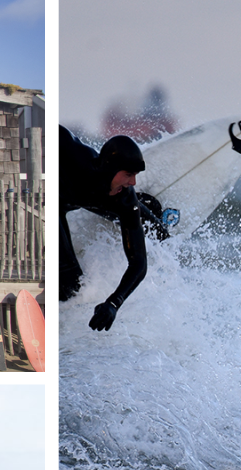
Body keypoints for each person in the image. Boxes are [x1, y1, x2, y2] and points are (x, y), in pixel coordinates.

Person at [61, 125, 166, 331]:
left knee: (157, 230)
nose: (133, 181)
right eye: (128, 174)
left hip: (102, 198)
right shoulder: (73, 155)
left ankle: (147, 207)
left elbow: (138, 264)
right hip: (61, 203)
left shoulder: (124, 197)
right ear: (110, 168)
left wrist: (113, 303)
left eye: (135, 175)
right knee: (69, 288)